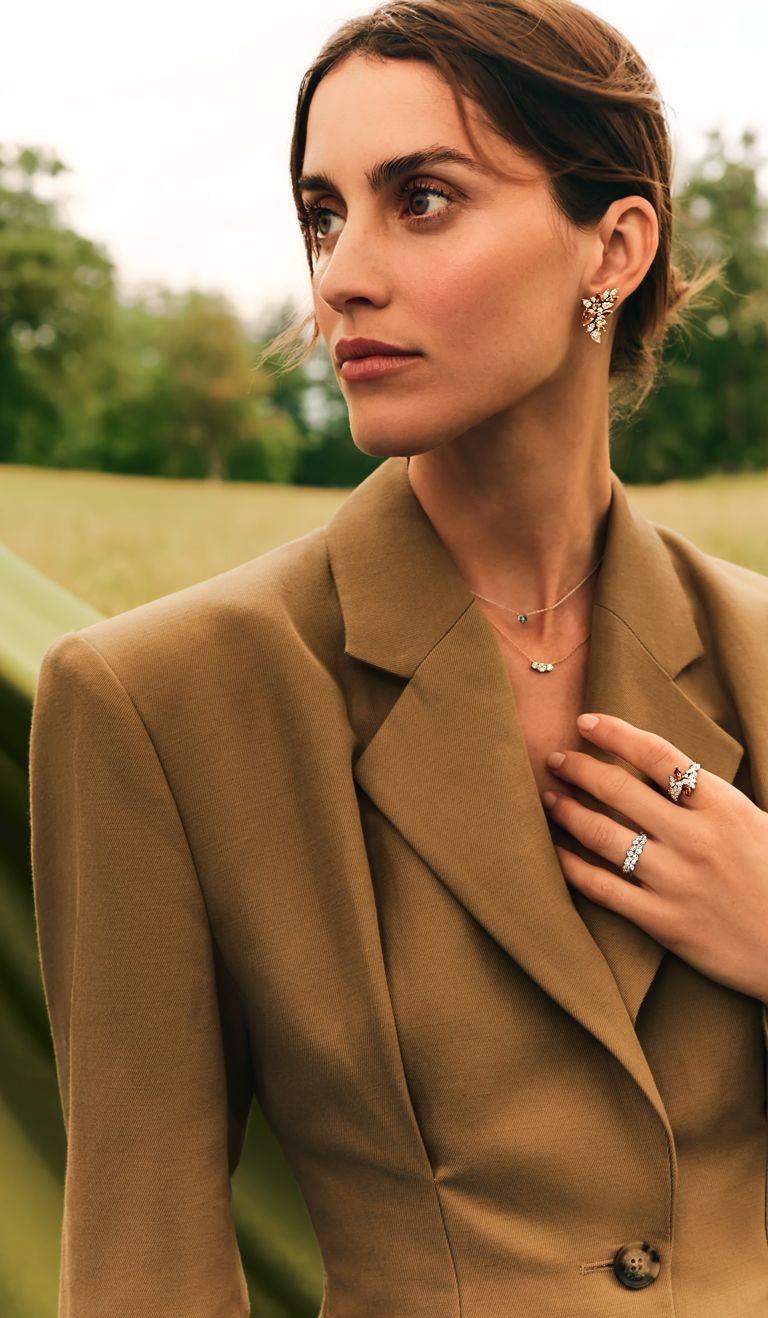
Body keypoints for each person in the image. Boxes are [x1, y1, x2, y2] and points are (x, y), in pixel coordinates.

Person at [29, 1, 768, 1314]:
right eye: (325, 214)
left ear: (616, 245)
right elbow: (144, 1265)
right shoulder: (158, 700)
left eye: (421, 199)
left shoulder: (760, 652)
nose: (340, 277)